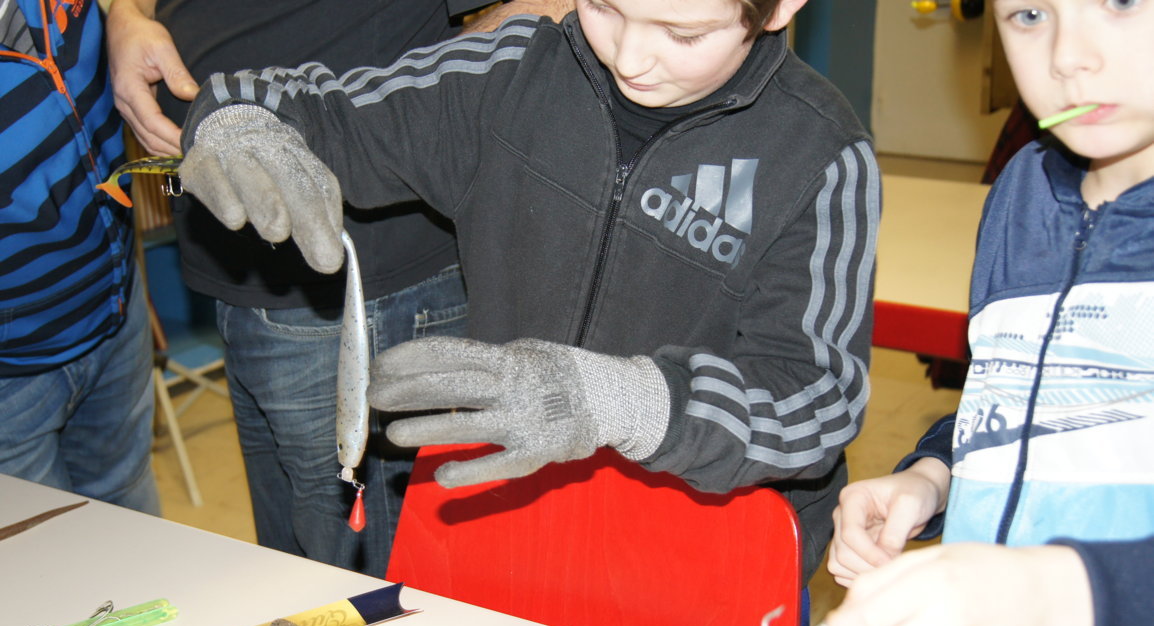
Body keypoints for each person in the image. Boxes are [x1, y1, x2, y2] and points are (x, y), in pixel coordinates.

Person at [172, 0, 879, 583]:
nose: (629, 56)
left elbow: (817, 398)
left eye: (681, 33)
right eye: (605, 6)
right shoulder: (508, 72)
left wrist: (617, 400)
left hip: (703, 554)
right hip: (507, 519)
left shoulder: (820, 156)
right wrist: (237, 126)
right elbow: (289, 102)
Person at [104, 0, 567, 575]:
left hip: (366, 284)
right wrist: (126, 16)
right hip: (236, 274)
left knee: (366, 581)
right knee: (290, 568)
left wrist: (399, 112)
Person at [822, 1, 1154, 626]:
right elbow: (1014, 404)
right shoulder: (1022, 192)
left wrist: (1054, 598)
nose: (1069, 56)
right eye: (1030, 13)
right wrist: (936, 478)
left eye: (1123, 3)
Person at [0, 0, 159, 515]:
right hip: (11, 382)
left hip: (115, 308)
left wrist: (127, 14)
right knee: (45, 572)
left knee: (135, 533)